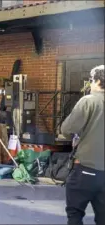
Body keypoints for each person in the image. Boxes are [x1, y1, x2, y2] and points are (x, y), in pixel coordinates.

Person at [61, 65, 104, 225]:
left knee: (75, 214)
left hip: (86, 169)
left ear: (98, 81)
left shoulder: (89, 101)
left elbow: (67, 129)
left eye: (91, 80)